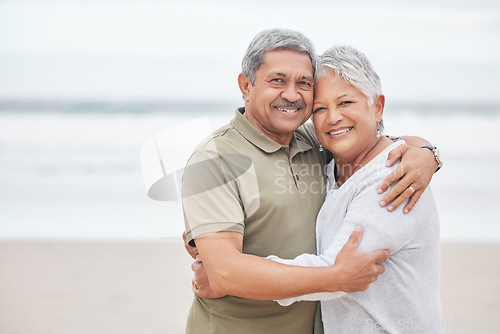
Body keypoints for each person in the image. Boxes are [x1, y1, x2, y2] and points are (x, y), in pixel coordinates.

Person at [181, 29, 440, 334]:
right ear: (246, 86)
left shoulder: (318, 146)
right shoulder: (215, 158)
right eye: (277, 80)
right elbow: (224, 273)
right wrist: (334, 277)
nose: (291, 94)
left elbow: (370, 140)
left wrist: (426, 153)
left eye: (303, 83)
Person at [268, 45, 442, 333]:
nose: (333, 117)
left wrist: (233, 273)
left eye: (346, 102)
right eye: (320, 108)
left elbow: (333, 275)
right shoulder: (331, 167)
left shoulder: (393, 176)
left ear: (377, 107)